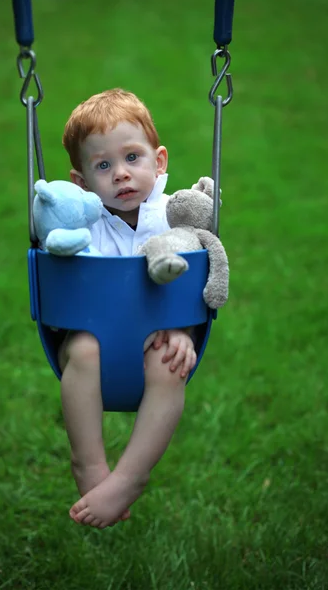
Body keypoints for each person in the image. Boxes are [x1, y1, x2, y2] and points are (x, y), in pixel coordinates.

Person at [59, 88, 197, 529]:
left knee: (170, 365)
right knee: (81, 351)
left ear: (159, 162)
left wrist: (181, 329)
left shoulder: (175, 214)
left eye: (132, 158)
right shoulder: (85, 225)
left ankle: (130, 477)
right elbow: (72, 289)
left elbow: (194, 271)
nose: (121, 174)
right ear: (81, 182)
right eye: (103, 165)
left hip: (160, 336)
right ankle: (90, 466)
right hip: (94, 337)